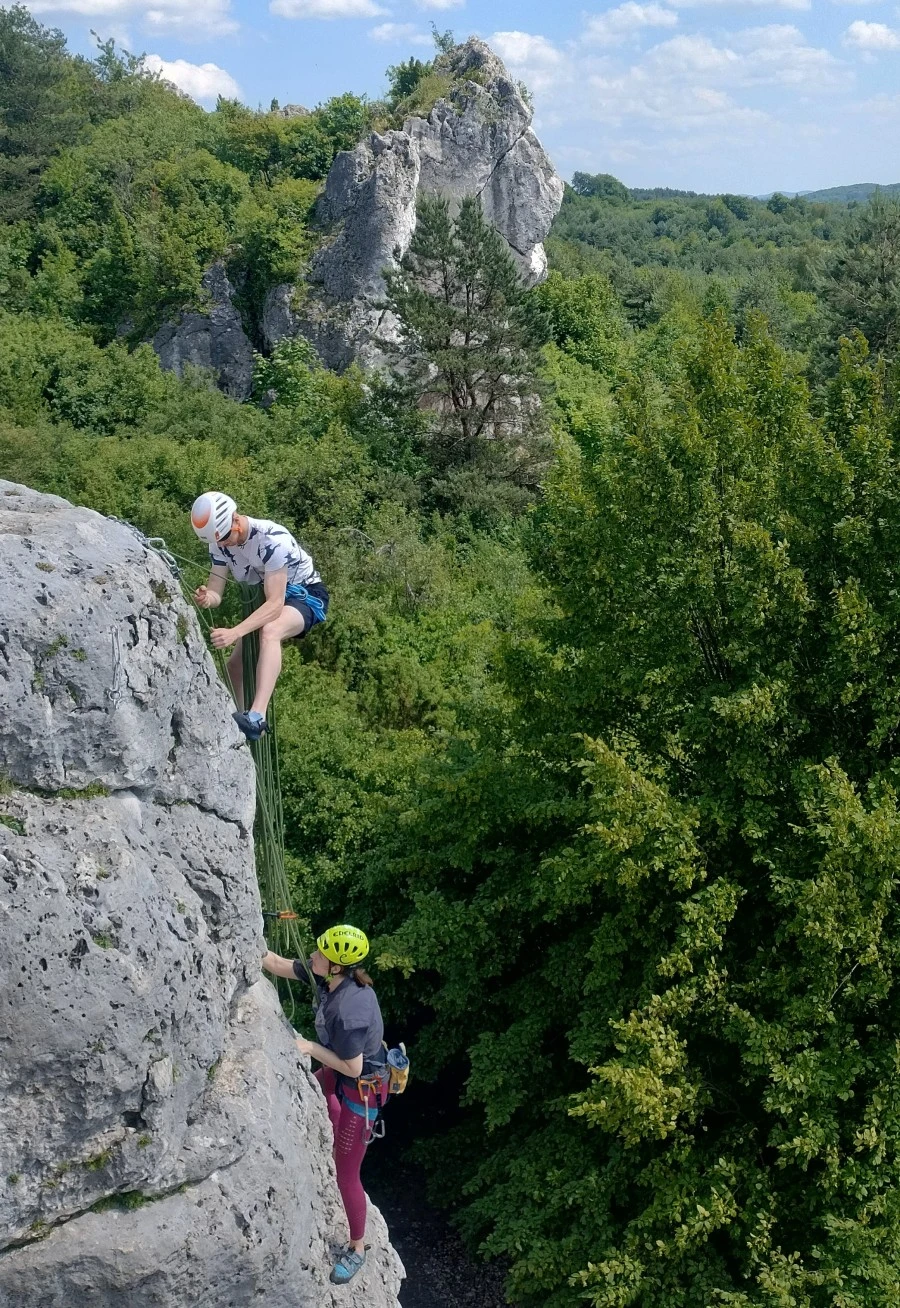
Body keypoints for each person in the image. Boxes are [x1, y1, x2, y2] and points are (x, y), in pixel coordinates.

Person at [263, 925, 387, 1286]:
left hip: (361, 1092)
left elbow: (353, 1067)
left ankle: (358, 1248)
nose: (312, 955)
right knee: (312, 1093)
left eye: (319, 954)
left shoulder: (349, 1009)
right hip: (344, 1077)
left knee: (346, 1173)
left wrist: (310, 1049)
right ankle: (331, 1122)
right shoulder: (329, 978)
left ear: (335, 966)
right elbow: (278, 964)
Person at [190, 491, 329, 741]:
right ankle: (238, 719)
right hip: (268, 598)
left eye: (225, 538)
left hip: (305, 595)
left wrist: (235, 632)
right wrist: (207, 597)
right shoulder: (219, 540)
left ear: (235, 520)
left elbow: (276, 605)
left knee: (271, 631)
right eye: (217, 542)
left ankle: (257, 717)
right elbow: (216, 590)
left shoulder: (271, 539)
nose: (222, 545)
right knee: (235, 666)